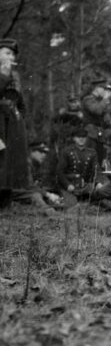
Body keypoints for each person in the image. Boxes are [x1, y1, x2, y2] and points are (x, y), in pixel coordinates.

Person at [0, 38, 29, 190]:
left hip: (13, 125)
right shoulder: (4, 73)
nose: (11, 58)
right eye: (7, 53)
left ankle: (11, 194)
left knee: (14, 160)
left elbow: (20, 102)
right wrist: (3, 75)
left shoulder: (15, 75)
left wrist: (20, 119)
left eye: (13, 55)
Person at [11, 141, 61, 216]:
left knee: (44, 193)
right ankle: (49, 212)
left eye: (45, 153)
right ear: (31, 151)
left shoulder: (33, 164)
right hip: (12, 192)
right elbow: (29, 186)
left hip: (22, 192)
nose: (43, 155)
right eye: (41, 152)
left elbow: (35, 184)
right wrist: (48, 194)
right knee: (36, 195)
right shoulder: (24, 164)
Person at [57, 127, 100, 200]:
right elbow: (60, 171)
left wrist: (98, 182)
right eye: (78, 137)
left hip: (86, 185)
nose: (81, 139)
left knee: (100, 197)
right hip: (71, 185)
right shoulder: (67, 152)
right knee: (71, 202)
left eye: (83, 137)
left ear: (86, 138)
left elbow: (96, 169)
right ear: (74, 138)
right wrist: (67, 184)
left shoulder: (92, 153)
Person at [82, 79, 111, 163]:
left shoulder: (101, 101)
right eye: (104, 89)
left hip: (100, 134)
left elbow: (107, 120)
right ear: (97, 89)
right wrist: (105, 99)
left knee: (99, 159)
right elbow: (97, 110)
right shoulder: (88, 99)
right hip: (90, 133)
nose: (105, 92)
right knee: (89, 158)